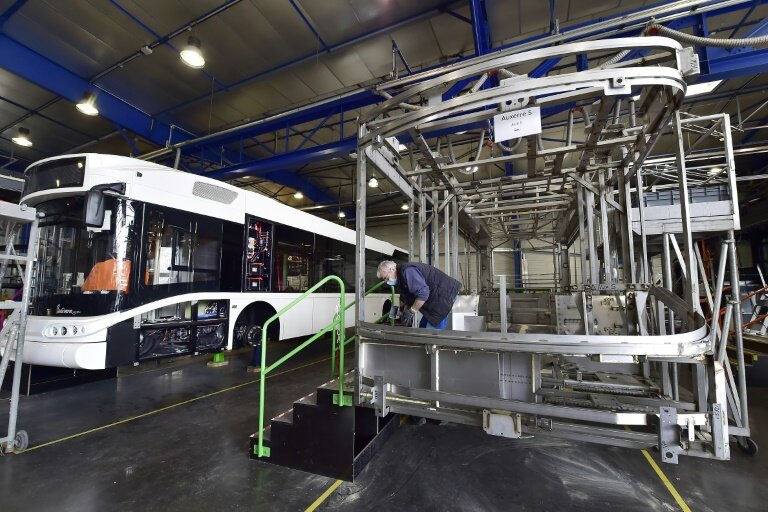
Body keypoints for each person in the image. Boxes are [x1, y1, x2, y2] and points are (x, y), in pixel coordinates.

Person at [378, 260, 461, 330]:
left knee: (431, 332)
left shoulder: (408, 271)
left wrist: (412, 311)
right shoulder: (400, 280)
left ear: (393, 269)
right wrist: (405, 313)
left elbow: (423, 294)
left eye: (386, 278)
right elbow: (407, 297)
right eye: (384, 280)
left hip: (443, 295)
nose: (387, 282)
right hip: (433, 297)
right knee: (422, 328)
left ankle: (432, 343)